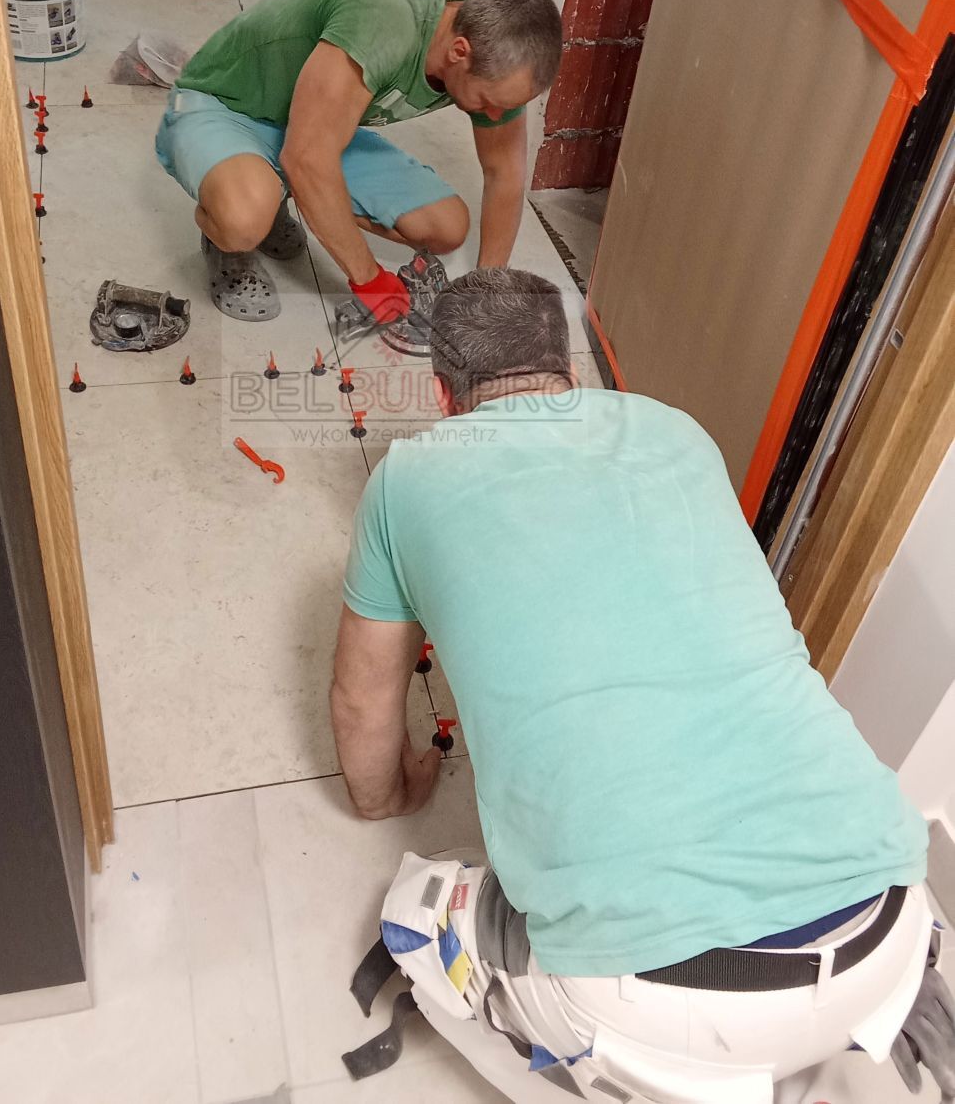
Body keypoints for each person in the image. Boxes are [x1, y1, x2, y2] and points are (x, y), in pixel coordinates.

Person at [331, 267, 954, 1103]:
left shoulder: (407, 477)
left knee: (415, 911)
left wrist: (388, 794)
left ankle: (601, 1063)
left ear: (447, 396)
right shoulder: (677, 432)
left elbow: (361, 700)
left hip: (663, 1008)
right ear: (570, 372)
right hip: (893, 921)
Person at [154, 0, 561, 330]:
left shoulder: (499, 51)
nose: (495, 116)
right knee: (244, 220)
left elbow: (504, 174)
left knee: (445, 227)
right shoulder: (385, 17)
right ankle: (228, 229)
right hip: (225, 104)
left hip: (313, 119)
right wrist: (370, 280)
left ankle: (276, 188)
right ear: (459, 52)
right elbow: (306, 157)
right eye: (488, 103)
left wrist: (486, 289)